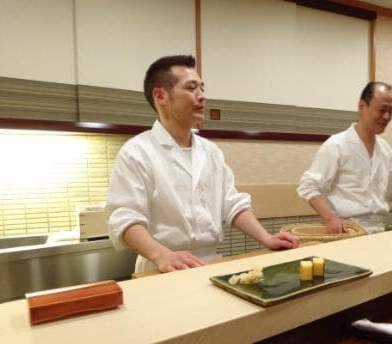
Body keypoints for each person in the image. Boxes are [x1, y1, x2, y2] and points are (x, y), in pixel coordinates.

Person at [106, 55, 299, 273]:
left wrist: (268, 238)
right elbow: (124, 217)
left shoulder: (210, 151)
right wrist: (162, 255)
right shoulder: (136, 152)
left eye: (202, 88)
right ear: (160, 96)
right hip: (161, 267)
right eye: (191, 88)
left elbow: (231, 204)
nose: (202, 97)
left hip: (211, 263)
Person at [297, 81, 392, 234]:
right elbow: (308, 186)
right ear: (362, 106)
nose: (386, 117)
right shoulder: (336, 145)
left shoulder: (385, 149)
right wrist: (330, 218)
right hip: (347, 231)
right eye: (382, 110)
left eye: (391, 111)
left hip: (379, 230)